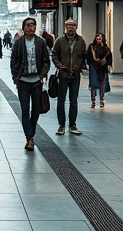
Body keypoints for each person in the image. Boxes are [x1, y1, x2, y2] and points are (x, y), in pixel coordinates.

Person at [10, 17, 50, 151]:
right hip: (23, 82)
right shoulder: (19, 43)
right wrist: (16, 77)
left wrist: (42, 75)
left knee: (36, 110)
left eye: (33, 25)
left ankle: (31, 130)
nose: (30, 27)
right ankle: (29, 138)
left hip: (37, 81)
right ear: (23, 28)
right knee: (25, 110)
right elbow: (14, 61)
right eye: (27, 25)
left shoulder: (41, 42)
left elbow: (46, 61)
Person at [52, 18, 86, 135]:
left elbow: (83, 55)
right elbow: (54, 54)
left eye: (72, 26)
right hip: (63, 74)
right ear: (66, 27)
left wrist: (79, 66)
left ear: (75, 27)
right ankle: (61, 125)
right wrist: (60, 66)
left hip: (75, 75)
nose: (70, 28)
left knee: (74, 101)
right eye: (68, 26)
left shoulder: (80, 40)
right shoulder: (60, 41)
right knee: (61, 100)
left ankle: (72, 124)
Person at [86, 32, 113, 107]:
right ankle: (93, 101)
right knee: (93, 84)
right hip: (93, 67)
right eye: (97, 38)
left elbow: (109, 57)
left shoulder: (106, 48)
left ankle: (101, 100)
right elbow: (88, 56)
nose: (98, 39)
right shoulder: (91, 47)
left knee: (102, 84)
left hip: (102, 68)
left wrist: (109, 65)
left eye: (100, 38)